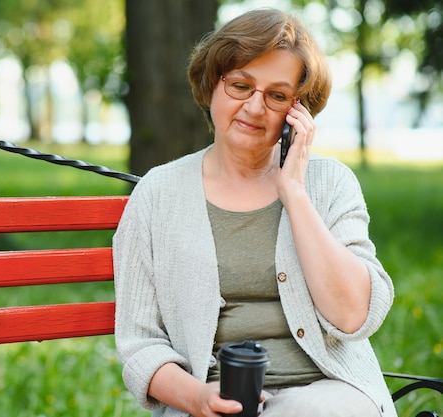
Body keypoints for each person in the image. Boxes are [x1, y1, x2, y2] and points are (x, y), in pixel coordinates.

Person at [113, 8, 397, 417]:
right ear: (213, 84)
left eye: (277, 95)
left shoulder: (329, 183)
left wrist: (294, 192)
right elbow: (140, 345)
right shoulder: (158, 193)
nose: (255, 107)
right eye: (241, 85)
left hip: (328, 393)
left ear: (297, 112)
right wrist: (197, 398)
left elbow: (353, 316)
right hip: (208, 401)